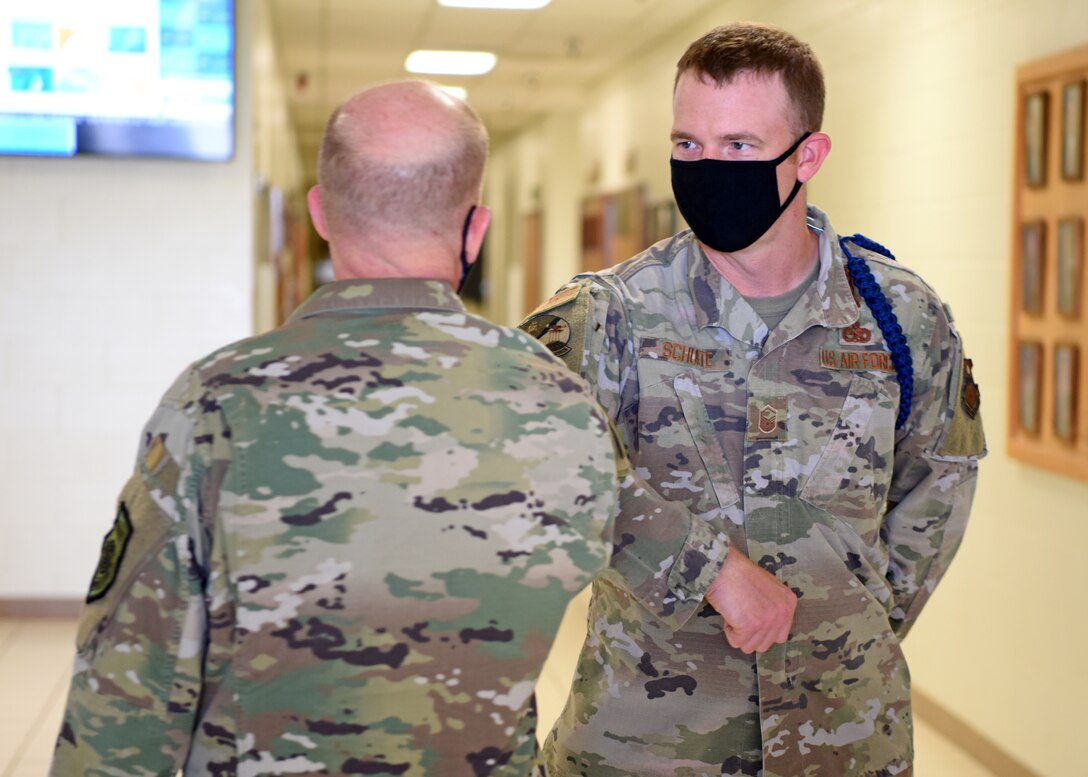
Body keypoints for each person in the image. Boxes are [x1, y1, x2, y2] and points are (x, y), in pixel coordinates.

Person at [51, 80, 621, 777]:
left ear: (320, 212)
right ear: (477, 228)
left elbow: (130, 684)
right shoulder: (558, 401)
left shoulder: (218, 403)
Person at [520, 22, 985, 777]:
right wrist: (706, 569)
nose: (707, 168)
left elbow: (939, 484)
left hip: (843, 738)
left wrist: (847, 628)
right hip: (645, 742)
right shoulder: (610, 313)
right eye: (687, 144)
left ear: (809, 156)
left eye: (738, 145)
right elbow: (532, 468)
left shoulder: (901, 317)